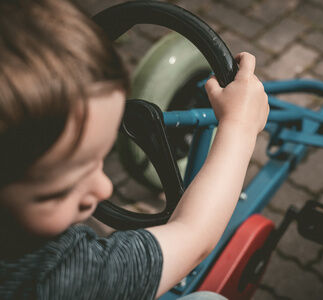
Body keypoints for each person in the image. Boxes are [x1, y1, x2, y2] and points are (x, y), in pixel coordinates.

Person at [0, 0, 269, 299]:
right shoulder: (61, 278)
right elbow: (193, 236)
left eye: (100, 159)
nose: (104, 189)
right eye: (58, 192)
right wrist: (240, 126)